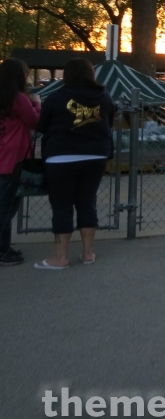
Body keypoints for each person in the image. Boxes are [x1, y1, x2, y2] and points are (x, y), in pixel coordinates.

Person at [35, 58, 116, 269]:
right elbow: (109, 123)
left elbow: (42, 126)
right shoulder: (104, 97)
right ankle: (88, 253)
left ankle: (61, 257)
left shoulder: (56, 97)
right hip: (96, 156)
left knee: (62, 205)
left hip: (61, 156)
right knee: (87, 202)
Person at [0, 58, 41, 267]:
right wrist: (37, 103)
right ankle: (2, 250)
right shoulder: (18, 98)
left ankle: (5, 247)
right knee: (6, 208)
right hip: (13, 159)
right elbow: (34, 121)